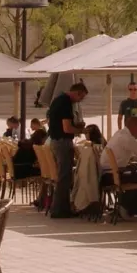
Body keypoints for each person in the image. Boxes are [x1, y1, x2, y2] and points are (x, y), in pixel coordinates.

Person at [46, 81, 87, 218]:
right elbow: (67, 128)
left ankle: (60, 207)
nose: (80, 101)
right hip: (62, 141)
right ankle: (59, 210)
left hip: (55, 140)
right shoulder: (65, 103)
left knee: (63, 175)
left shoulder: (57, 100)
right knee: (65, 176)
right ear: (77, 93)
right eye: (81, 98)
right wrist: (81, 130)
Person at [103, 115, 137, 217]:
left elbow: (134, 153)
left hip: (107, 174)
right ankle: (126, 206)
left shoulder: (119, 134)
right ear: (135, 127)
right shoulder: (127, 138)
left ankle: (132, 207)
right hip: (113, 175)